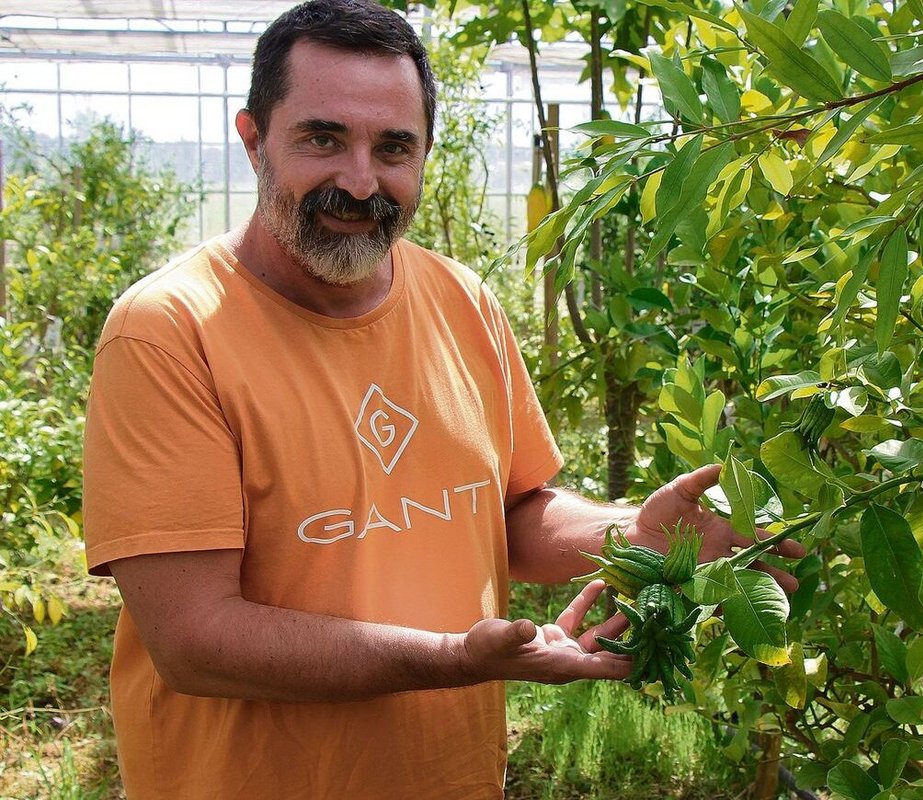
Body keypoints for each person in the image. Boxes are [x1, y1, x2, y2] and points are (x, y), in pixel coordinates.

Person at [81, 1, 802, 798]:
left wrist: (631, 532)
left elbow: (507, 513)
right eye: (322, 138)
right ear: (254, 140)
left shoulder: (461, 300)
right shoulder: (169, 333)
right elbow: (194, 639)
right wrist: (453, 658)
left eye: (393, 148)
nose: (360, 181)